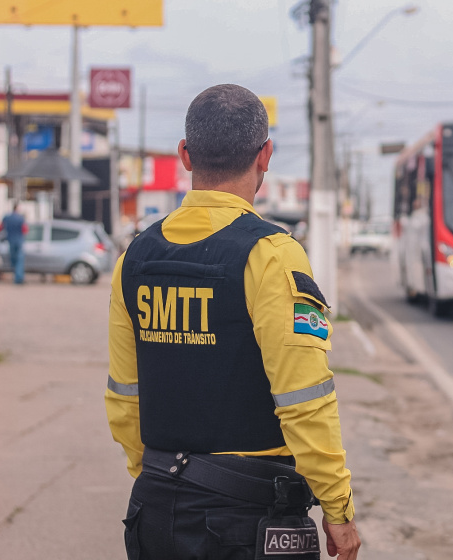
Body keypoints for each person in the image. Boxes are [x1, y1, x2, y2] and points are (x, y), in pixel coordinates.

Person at [105, 84, 360, 560]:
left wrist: (158, 474)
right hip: (244, 520)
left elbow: (124, 397)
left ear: (185, 154)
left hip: (154, 509)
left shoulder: (134, 257)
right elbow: (305, 400)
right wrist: (337, 508)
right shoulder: (271, 255)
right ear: (265, 155)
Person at [0, 202, 28, 284]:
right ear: (17, 208)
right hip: (19, 241)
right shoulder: (21, 218)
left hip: (10, 241)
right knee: (19, 260)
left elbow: (0, 227)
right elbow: (25, 230)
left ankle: (17, 275)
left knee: (13, 259)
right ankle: (19, 278)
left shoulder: (7, 217)